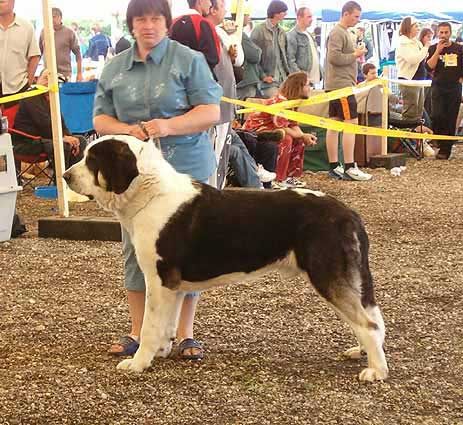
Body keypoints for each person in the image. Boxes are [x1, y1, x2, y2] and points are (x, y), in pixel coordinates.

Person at [93, 0, 222, 360]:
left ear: (166, 23)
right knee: (137, 251)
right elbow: (101, 120)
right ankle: (139, 332)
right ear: (131, 24)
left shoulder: (189, 60)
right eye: (140, 20)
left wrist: (167, 125)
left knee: (188, 249)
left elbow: (210, 111)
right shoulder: (115, 68)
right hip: (130, 177)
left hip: (186, 167)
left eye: (155, 19)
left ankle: (184, 334)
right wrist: (127, 132)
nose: (148, 26)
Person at [243, 72, 317, 188]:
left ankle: (290, 177)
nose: (310, 88)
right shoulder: (281, 102)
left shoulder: (292, 102)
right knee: (286, 139)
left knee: (298, 140)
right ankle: (277, 178)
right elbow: (281, 127)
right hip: (255, 132)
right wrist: (301, 135)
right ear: (299, 86)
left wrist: (303, 136)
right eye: (308, 85)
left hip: (274, 131)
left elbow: (293, 125)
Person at [324, 1, 372, 181]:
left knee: (335, 123)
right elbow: (334, 57)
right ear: (346, 14)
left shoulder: (344, 33)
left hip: (339, 84)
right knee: (350, 122)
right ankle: (350, 166)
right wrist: (355, 55)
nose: (358, 20)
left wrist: (355, 56)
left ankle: (334, 165)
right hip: (341, 86)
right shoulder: (337, 32)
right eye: (356, 16)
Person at [12, 70, 87, 171]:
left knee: (80, 141)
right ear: (37, 79)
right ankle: (61, 182)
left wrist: (70, 137)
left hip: (46, 139)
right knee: (63, 145)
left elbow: (61, 123)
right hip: (27, 142)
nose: (48, 82)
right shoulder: (30, 96)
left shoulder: (51, 97)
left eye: (52, 79)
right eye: (45, 78)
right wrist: (62, 137)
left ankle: (74, 177)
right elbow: (44, 124)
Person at [426, 22, 463, 159]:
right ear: (437, 33)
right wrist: (437, 51)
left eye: (446, 32)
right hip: (438, 86)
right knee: (437, 115)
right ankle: (439, 140)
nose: (443, 35)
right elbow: (429, 67)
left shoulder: (459, 49)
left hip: (454, 87)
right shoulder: (432, 48)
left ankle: (445, 150)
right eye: (441, 32)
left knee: (451, 118)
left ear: (450, 33)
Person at [0, 0, 40, 102]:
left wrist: (28, 83)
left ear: (13, 2)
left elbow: (34, 56)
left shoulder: (26, 27)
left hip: (18, 89)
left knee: (16, 118)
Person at [251, 0, 289, 97]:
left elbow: (285, 56)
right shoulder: (259, 30)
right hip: (268, 83)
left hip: (283, 80)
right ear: (276, 13)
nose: (286, 14)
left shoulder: (282, 32)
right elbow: (252, 57)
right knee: (276, 108)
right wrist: (263, 76)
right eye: (283, 11)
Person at [169, 0, 221, 72]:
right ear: (200, 1)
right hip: (199, 78)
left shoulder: (173, 23)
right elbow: (213, 58)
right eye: (209, 0)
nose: (210, 4)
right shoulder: (203, 23)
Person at [396, 16, 430, 121]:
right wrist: (425, 48)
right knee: (410, 111)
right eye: (416, 26)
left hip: (419, 80)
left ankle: (416, 135)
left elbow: (421, 57)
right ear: (408, 27)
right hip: (408, 80)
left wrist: (423, 51)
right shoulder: (403, 43)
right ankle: (406, 135)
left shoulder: (416, 43)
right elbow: (413, 59)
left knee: (418, 111)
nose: (418, 28)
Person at [39, 8, 83, 82]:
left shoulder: (69, 32)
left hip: (64, 74)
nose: (52, 19)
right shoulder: (44, 32)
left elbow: (78, 54)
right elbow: (38, 53)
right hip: (47, 74)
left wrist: (79, 73)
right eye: (49, 17)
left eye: (54, 17)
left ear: (61, 18)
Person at [287, 7, 322, 86]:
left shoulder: (309, 34)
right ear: (299, 17)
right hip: (302, 83)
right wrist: (301, 78)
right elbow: (290, 60)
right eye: (309, 17)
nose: (311, 19)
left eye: (311, 16)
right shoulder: (292, 35)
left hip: (312, 81)